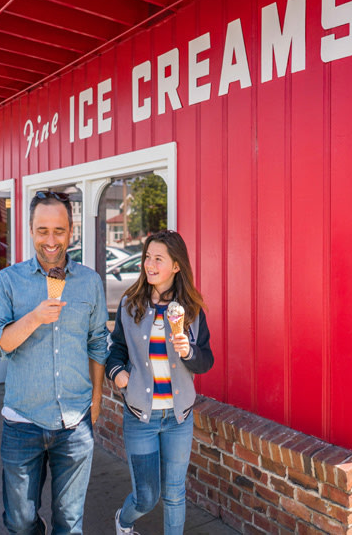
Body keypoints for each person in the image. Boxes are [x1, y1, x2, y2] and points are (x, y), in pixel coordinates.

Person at [0, 191, 109, 534]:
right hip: (23, 419)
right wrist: (34, 317)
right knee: (20, 522)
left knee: (69, 524)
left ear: (71, 232)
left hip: (75, 422)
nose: (50, 240)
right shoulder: (10, 281)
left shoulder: (89, 282)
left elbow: (98, 343)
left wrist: (96, 400)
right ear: (30, 230)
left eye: (59, 230)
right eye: (42, 230)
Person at [106, 229, 214, 535]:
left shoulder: (191, 310)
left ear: (176, 266)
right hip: (141, 416)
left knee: (174, 494)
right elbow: (117, 349)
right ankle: (124, 521)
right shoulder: (131, 303)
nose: (149, 265)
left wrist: (189, 351)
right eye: (147, 258)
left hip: (178, 418)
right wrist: (117, 372)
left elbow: (206, 361)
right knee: (147, 497)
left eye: (158, 259)